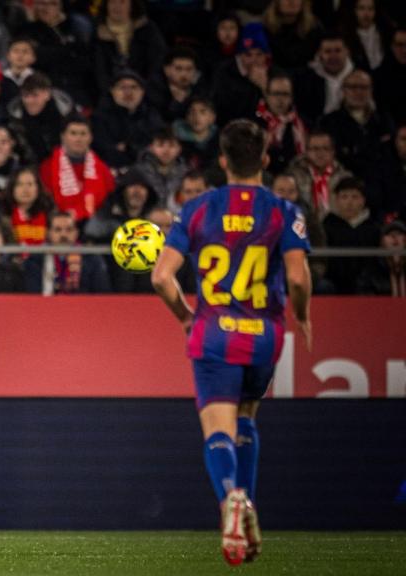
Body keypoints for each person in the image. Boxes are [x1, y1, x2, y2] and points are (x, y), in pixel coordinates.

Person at [151, 119, 312, 566]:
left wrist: (186, 316)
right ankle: (247, 503)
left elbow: (161, 276)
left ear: (222, 161)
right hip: (264, 335)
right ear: (265, 159)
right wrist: (302, 314)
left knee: (217, 430)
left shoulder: (197, 209)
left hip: (214, 334)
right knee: (246, 417)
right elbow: (298, 278)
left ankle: (231, 499)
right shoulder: (284, 211)